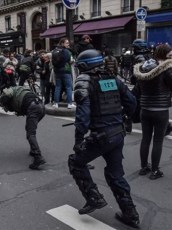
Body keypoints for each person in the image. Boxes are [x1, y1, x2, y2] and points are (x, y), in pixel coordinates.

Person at [68, 49, 139, 228]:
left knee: (76, 162)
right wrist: (122, 117)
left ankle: (94, 198)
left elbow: (83, 116)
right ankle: (131, 214)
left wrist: (78, 141)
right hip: (117, 133)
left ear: (84, 66)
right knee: (115, 174)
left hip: (101, 136)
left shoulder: (85, 82)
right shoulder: (115, 79)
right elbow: (132, 103)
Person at [132, 44, 172, 179]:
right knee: (158, 141)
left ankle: (144, 167)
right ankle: (155, 171)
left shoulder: (143, 68)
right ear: (166, 55)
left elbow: (137, 89)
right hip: (160, 110)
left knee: (145, 139)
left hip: (145, 109)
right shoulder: (166, 69)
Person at [0, 86, 46, 170]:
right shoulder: (20, 90)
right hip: (41, 106)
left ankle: (38, 156)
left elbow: (7, 94)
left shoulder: (9, 92)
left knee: (30, 133)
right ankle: (33, 150)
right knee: (30, 129)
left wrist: (3, 102)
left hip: (33, 108)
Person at [52, 37, 75, 109]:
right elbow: (69, 60)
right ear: (62, 43)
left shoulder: (54, 51)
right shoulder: (66, 51)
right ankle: (69, 103)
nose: (68, 44)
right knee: (69, 87)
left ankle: (56, 103)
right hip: (65, 70)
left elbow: (53, 61)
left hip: (57, 71)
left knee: (58, 87)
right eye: (67, 43)